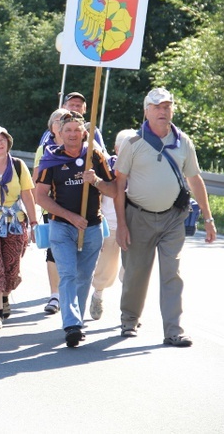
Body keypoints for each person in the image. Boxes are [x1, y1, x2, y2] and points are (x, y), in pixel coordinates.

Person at [114, 88, 217, 347]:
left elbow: (195, 179)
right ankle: (129, 319)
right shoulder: (133, 142)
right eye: (157, 107)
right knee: (136, 272)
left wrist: (208, 217)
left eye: (167, 107)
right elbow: (119, 186)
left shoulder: (183, 141)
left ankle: (174, 329)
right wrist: (122, 225)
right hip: (138, 217)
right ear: (146, 110)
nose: (163, 111)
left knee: (172, 272)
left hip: (173, 218)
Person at [35, 111, 116, 347]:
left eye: (76, 130)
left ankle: (77, 319)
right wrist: (70, 216)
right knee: (68, 274)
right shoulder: (51, 159)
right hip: (61, 227)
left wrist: (97, 182)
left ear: (84, 133)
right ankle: (72, 324)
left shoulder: (96, 156)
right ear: (59, 133)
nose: (72, 134)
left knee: (84, 276)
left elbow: (113, 190)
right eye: (67, 130)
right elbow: (40, 197)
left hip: (92, 227)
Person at [0, 127, 37, 329]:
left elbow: (28, 196)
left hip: (14, 221)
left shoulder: (19, 166)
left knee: (11, 266)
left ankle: (4, 297)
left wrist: (34, 222)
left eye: (2, 139)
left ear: (8, 143)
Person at [89, 129, 136, 320]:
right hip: (111, 224)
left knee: (133, 271)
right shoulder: (107, 166)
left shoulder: (142, 168)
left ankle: (130, 310)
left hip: (135, 225)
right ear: (116, 148)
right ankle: (98, 294)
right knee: (106, 267)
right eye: (124, 146)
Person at [32, 108, 70, 314]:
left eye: (65, 120)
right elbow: (37, 179)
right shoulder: (44, 149)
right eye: (58, 120)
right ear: (51, 126)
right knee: (54, 247)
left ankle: (71, 291)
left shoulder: (80, 147)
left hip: (78, 206)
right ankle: (55, 295)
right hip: (53, 204)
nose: (62, 123)